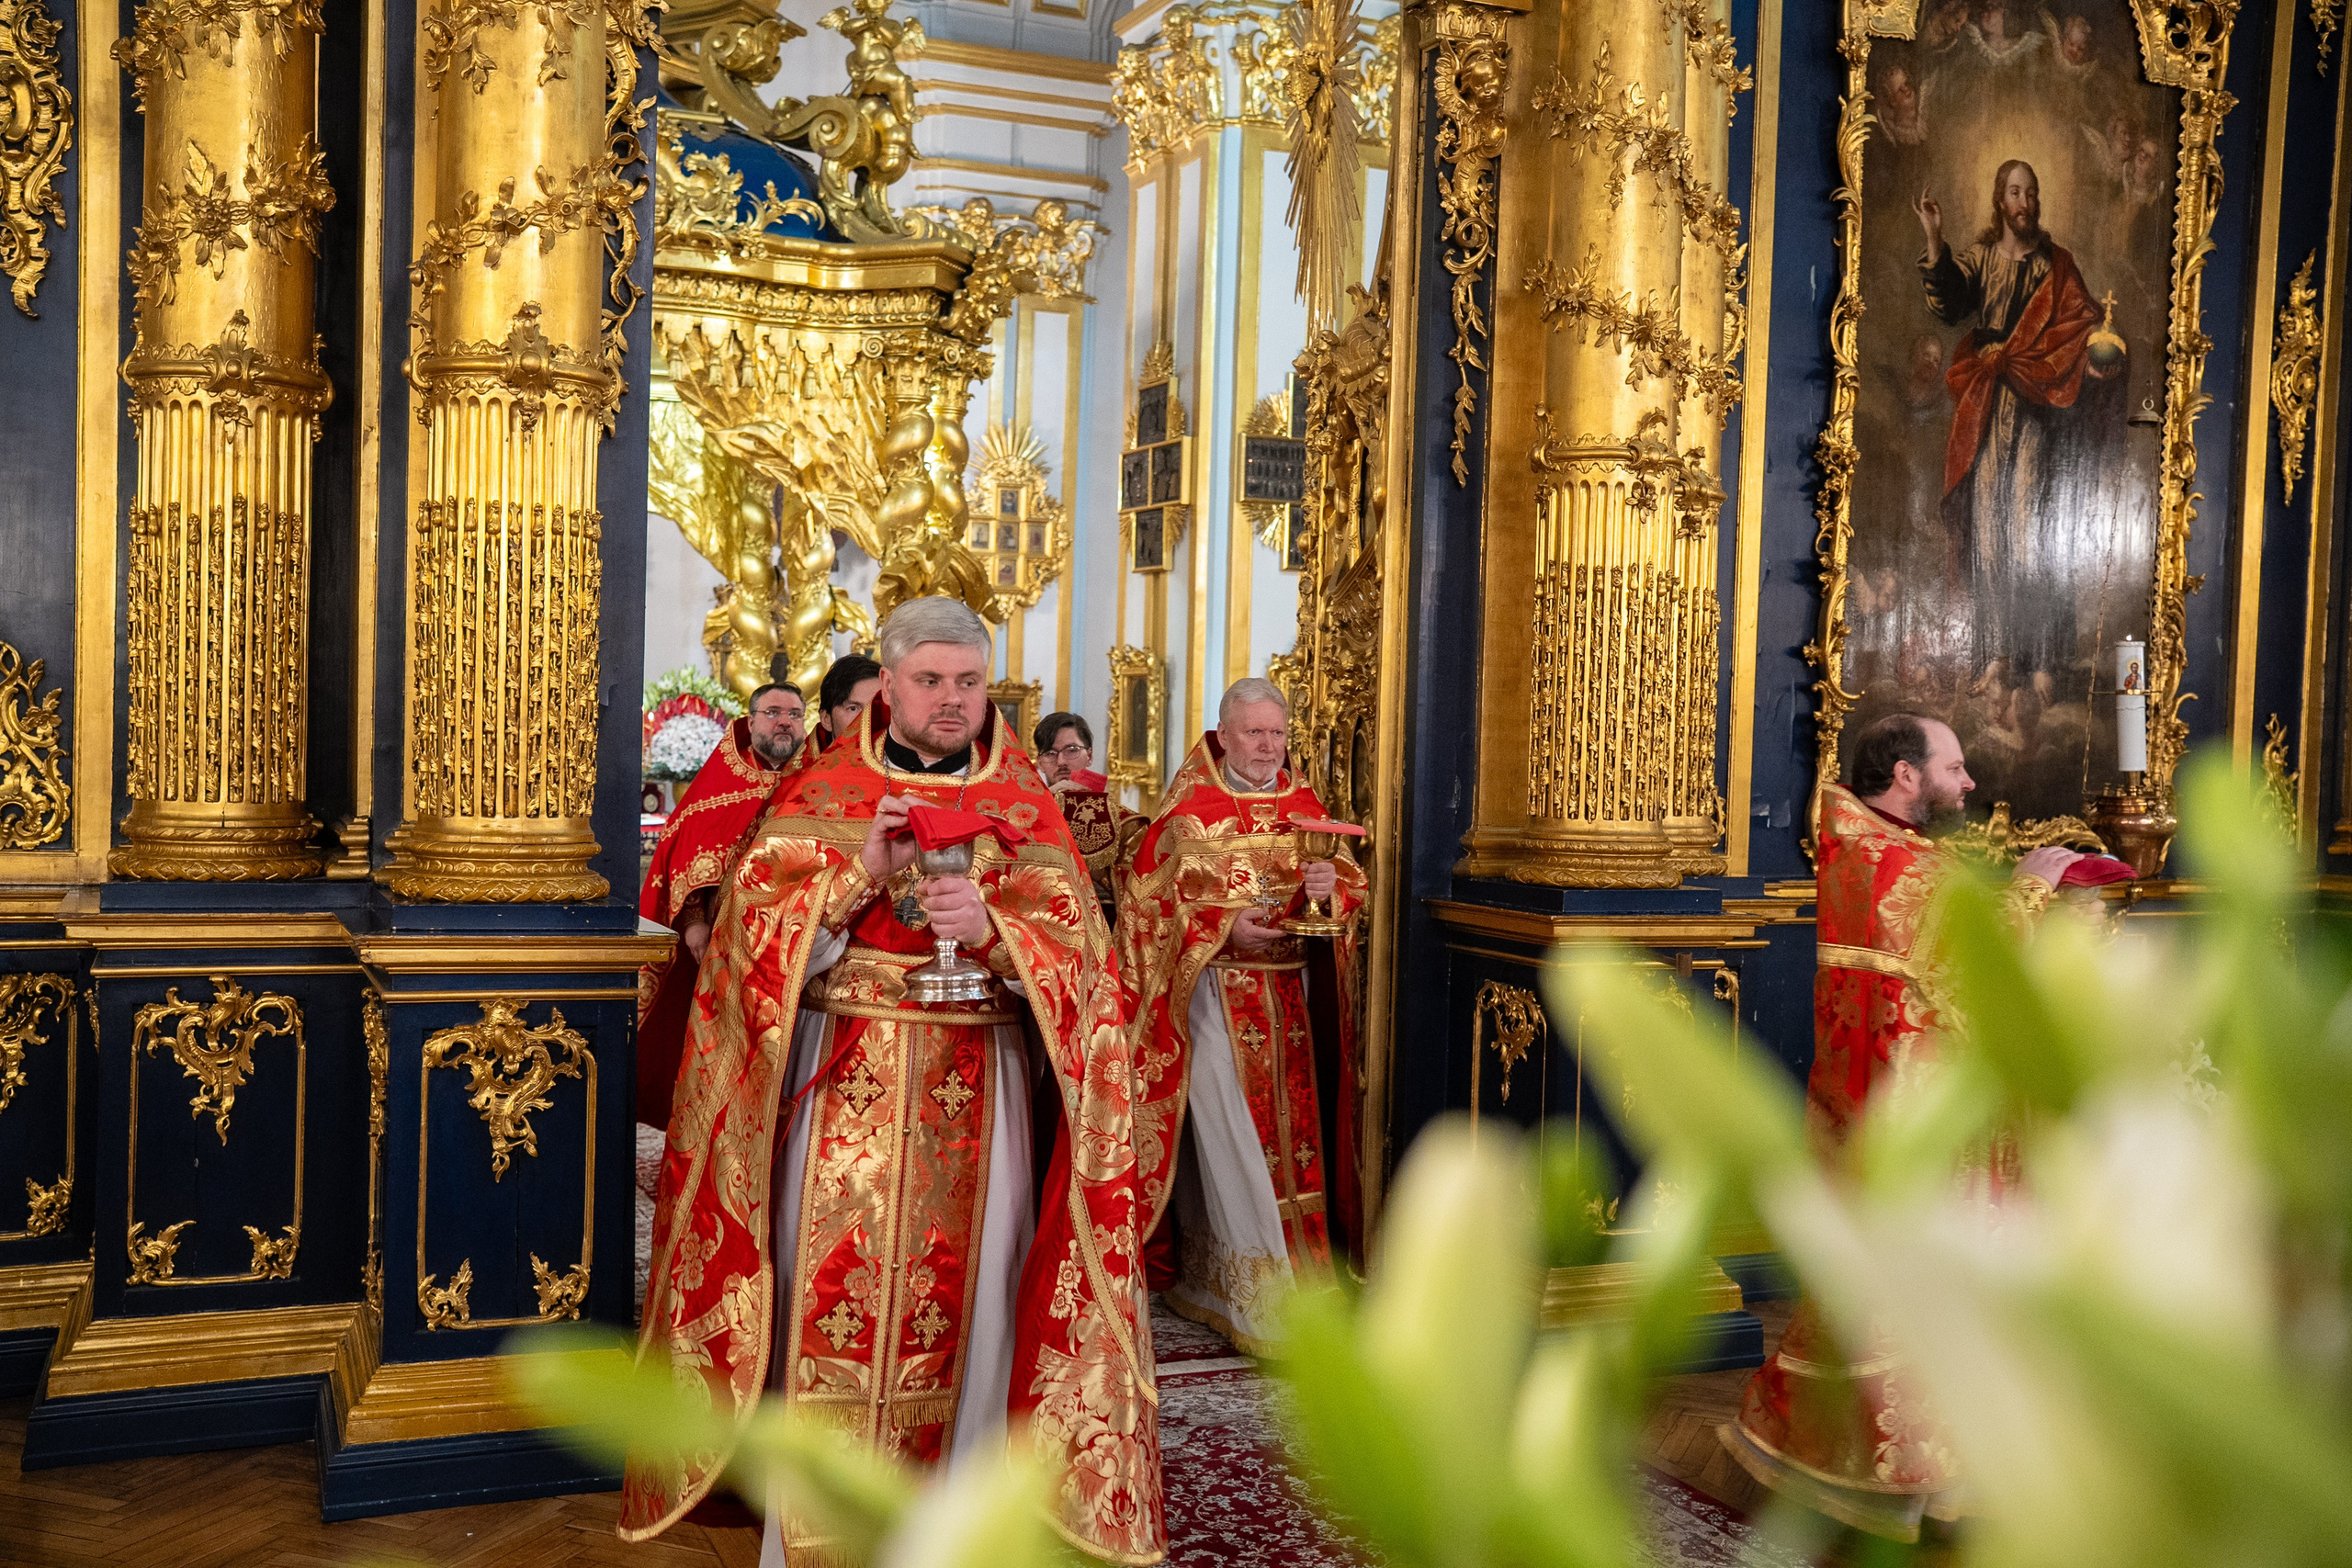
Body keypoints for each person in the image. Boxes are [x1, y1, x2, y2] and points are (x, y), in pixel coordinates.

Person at [621, 598, 1165, 1566]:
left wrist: (999, 934)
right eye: (930, 681)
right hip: (841, 1086)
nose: (951, 701)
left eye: (968, 682)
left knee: (981, 1303)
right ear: (891, 681)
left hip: (981, 1087)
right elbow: (747, 946)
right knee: (816, 1303)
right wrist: (856, 877)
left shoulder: (1026, 799)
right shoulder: (824, 786)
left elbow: (1089, 970)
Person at [1722, 712, 2081, 1540]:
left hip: (1889, 1098)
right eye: (1956, 767)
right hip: (1907, 1111)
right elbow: (1964, 949)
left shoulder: (1881, 849)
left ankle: (1913, 1471)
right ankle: (1891, 1473)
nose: (1971, 783)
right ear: (1907, 776)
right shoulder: (1887, 860)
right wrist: (2037, 884)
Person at [1119, 677, 1367, 1349]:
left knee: (1296, 1147)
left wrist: (1330, 889)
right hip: (1212, 999)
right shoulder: (1190, 812)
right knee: (1238, 1145)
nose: (1267, 747)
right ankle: (1252, 1294)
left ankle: (1305, 1283)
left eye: (1277, 734)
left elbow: (1350, 883)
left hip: (1292, 999)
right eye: (1254, 733)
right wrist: (1223, 928)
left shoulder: (1306, 804)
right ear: (1224, 734)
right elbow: (1147, 904)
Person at [1916, 159, 2114, 689]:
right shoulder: (1980, 258)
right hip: (1985, 404)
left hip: (2036, 406)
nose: (2023, 203)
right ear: (2000, 202)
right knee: (1988, 534)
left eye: (2030, 193)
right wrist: (1935, 238)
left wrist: (2095, 352)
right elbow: (1950, 304)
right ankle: (1997, 659)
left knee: (2029, 534)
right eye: (2014, 192)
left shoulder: (2056, 266)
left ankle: (2043, 662)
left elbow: (2084, 322)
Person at [633, 682, 806, 1129]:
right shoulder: (722, 781)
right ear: (751, 723)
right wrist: (693, 924)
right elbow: (686, 856)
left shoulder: (820, 781)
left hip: (800, 940)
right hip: (725, 942)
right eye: (773, 712)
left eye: (794, 713)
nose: (784, 721)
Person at [1033, 710, 1145, 924]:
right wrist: (1047, 803)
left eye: (1071, 750)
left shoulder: (1127, 824)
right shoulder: (1027, 818)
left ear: (1090, 755)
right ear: (1040, 762)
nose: (1062, 761)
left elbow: (1138, 896)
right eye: (1050, 754)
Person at [803, 651, 882, 760]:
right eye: (853, 709)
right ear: (826, 719)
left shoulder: (908, 772)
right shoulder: (809, 776)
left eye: (877, 706)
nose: (868, 719)